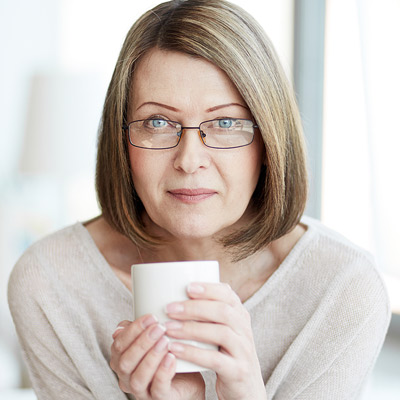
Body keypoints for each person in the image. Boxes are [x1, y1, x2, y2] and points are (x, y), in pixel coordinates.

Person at [8, 0, 390, 399]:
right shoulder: (52, 283)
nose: (189, 160)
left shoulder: (342, 292)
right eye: (157, 122)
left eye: (225, 122)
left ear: (269, 141)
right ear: (121, 141)